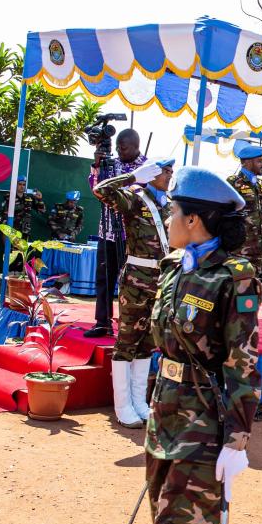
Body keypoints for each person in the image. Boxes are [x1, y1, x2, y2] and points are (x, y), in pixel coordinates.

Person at [88, 166, 259, 524]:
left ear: (195, 220)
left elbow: (242, 361)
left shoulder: (234, 277)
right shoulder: (172, 268)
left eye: (173, 211)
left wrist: (237, 437)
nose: (167, 218)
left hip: (205, 424)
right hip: (165, 415)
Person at [93, 158, 176, 428]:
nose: (169, 176)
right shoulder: (135, 199)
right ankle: (122, 405)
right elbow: (101, 190)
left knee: (148, 342)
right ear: (150, 174)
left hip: (161, 280)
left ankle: (139, 402)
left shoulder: (169, 205)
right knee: (127, 341)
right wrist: (132, 177)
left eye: (171, 172)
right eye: (164, 171)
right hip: (136, 281)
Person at [86, 128, 147, 338]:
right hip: (107, 231)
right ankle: (102, 322)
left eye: (124, 148)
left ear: (136, 146)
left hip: (132, 235)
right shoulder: (111, 164)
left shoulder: (146, 167)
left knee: (129, 282)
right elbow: (96, 189)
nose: (120, 152)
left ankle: (128, 326)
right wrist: (97, 166)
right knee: (104, 278)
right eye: (118, 148)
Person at [228, 144, 262, 289]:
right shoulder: (233, 183)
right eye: (259, 161)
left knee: (253, 288)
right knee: (238, 288)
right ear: (247, 162)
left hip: (258, 247)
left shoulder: (261, 185)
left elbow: (259, 215)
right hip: (240, 248)